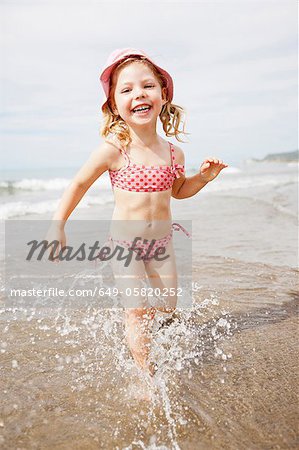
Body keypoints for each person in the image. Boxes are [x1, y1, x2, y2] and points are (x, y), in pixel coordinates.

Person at [50, 48, 228, 377]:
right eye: (127, 89)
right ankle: (146, 376)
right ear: (115, 105)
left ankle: (144, 333)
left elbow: (178, 190)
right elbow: (78, 184)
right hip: (125, 245)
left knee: (167, 305)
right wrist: (57, 226)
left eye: (147, 86)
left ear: (163, 94)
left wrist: (202, 179)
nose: (138, 94)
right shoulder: (113, 150)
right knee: (138, 310)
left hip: (161, 244)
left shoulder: (174, 153)